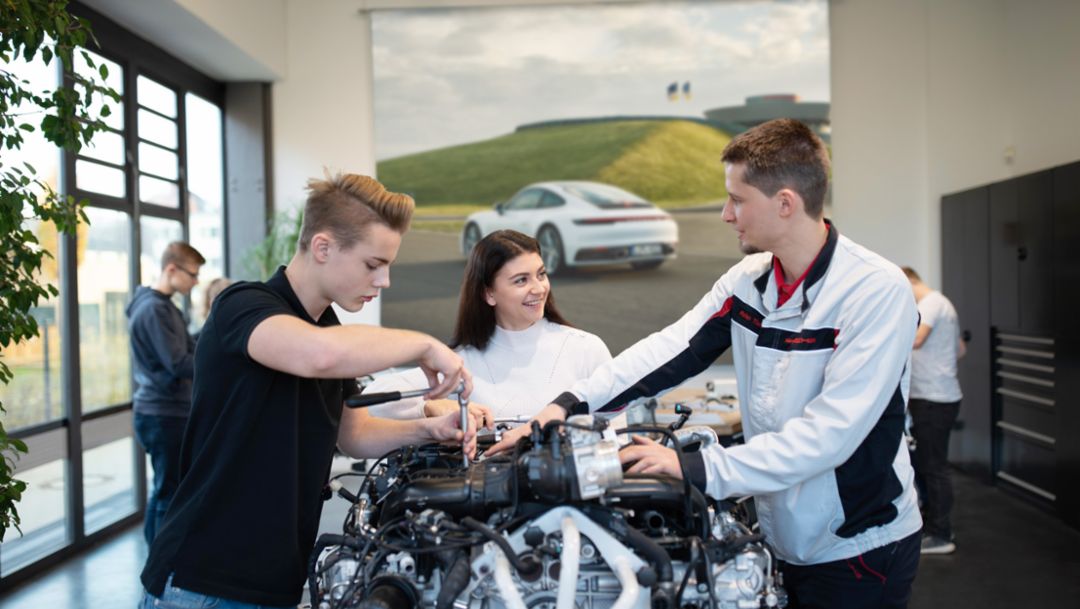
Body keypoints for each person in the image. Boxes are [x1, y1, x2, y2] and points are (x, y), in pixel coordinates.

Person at [491, 119, 923, 609]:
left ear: (785, 203)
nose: (725, 213)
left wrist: (693, 467)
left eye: (738, 200)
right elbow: (670, 349)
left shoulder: (874, 291)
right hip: (782, 534)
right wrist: (565, 406)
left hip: (857, 548)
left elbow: (829, 435)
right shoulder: (748, 282)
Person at [140, 173, 482, 609]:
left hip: (273, 579)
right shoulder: (244, 306)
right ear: (322, 248)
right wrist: (424, 343)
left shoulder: (328, 330)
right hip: (204, 579)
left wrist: (429, 431)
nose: (384, 281)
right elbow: (316, 355)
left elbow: (351, 433)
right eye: (373, 264)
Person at [366, 229, 611, 425]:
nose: (538, 288)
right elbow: (371, 401)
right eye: (521, 280)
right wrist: (427, 406)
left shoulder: (586, 349)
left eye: (541, 274)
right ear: (489, 293)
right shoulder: (459, 363)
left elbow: (616, 434)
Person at [127, 241, 205, 545]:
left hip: (167, 411)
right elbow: (178, 362)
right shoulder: (152, 310)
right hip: (162, 413)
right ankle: (160, 566)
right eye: (192, 274)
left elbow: (184, 349)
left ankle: (162, 561)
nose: (196, 281)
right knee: (167, 492)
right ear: (171, 269)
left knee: (168, 488)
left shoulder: (163, 306)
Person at [902, 266, 964, 555]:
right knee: (926, 463)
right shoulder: (942, 304)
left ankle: (941, 534)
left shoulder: (930, 303)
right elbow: (960, 349)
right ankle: (932, 525)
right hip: (933, 395)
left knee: (934, 467)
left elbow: (915, 339)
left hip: (934, 398)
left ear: (908, 282)